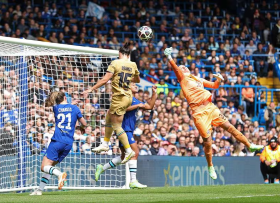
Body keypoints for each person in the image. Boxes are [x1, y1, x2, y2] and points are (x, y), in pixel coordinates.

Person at [163, 47, 263, 180]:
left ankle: (250, 146)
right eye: (181, 67)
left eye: (184, 66)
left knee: (230, 127)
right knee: (208, 142)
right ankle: (210, 165)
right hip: (198, 112)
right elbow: (175, 69)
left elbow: (214, 86)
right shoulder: (183, 79)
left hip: (210, 107)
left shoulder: (197, 78)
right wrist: (170, 58)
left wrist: (219, 80)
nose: (183, 68)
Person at [84, 43, 140, 164]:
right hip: (128, 97)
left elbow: (105, 80)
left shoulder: (115, 63)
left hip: (119, 97)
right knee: (109, 116)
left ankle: (129, 150)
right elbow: (138, 80)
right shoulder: (133, 64)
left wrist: (91, 89)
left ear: (120, 53)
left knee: (116, 125)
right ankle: (105, 143)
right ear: (129, 55)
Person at [94, 83, 157, 188]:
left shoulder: (134, 99)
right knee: (135, 152)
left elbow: (149, 106)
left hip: (128, 130)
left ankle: (102, 168)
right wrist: (137, 106)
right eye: (133, 84)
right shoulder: (124, 98)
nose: (136, 85)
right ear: (128, 88)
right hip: (124, 129)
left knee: (124, 156)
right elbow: (119, 109)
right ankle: (133, 181)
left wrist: (154, 93)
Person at [30, 91, 87, 195]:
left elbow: (54, 106)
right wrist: (81, 128)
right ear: (65, 97)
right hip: (68, 144)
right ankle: (39, 190)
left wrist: (70, 104)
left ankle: (60, 175)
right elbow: (84, 123)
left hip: (57, 141)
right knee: (49, 166)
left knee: (44, 167)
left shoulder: (56, 108)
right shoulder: (75, 108)